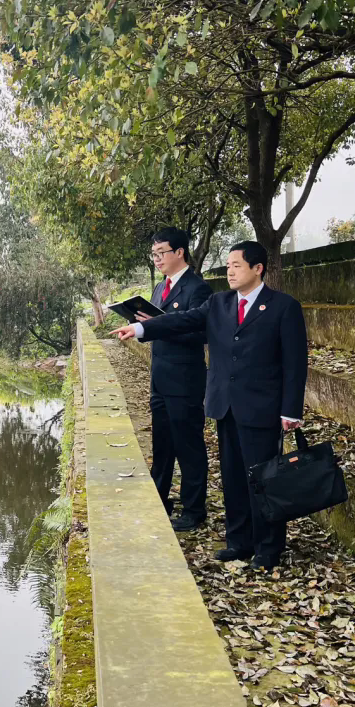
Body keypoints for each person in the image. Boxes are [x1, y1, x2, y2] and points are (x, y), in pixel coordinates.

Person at [111, 240, 308, 570]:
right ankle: (239, 541)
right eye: (228, 265)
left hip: (262, 406)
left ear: (258, 269)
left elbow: (295, 362)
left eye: (237, 266)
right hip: (224, 404)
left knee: (261, 478)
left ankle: (268, 548)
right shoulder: (219, 303)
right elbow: (183, 321)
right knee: (231, 476)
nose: (230, 271)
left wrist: (291, 409)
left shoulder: (283, 307)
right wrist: (141, 327)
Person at [138, 227, 213, 532]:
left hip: (185, 379)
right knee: (162, 443)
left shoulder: (198, 289)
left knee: (189, 446)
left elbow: (201, 332)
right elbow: (155, 327)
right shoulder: (159, 288)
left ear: (179, 252)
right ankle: (159, 497)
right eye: (153, 254)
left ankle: (194, 509)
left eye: (162, 253)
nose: (157, 259)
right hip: (160, 377)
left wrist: (159, 325)